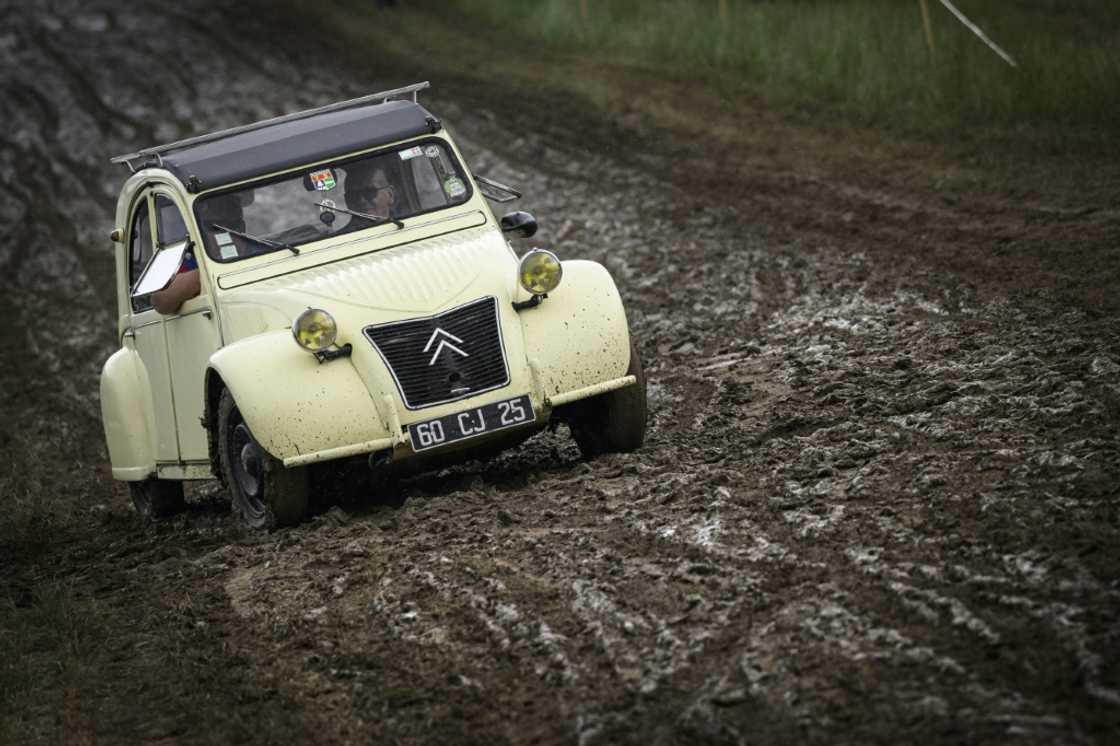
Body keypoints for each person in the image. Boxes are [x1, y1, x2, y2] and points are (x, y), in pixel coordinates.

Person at [342, 162, 396, 231]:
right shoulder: (342, 238)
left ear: (390, 194)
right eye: (353, 195)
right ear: (347, 202)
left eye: (369, 192)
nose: (361, 200)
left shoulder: (409, 221)